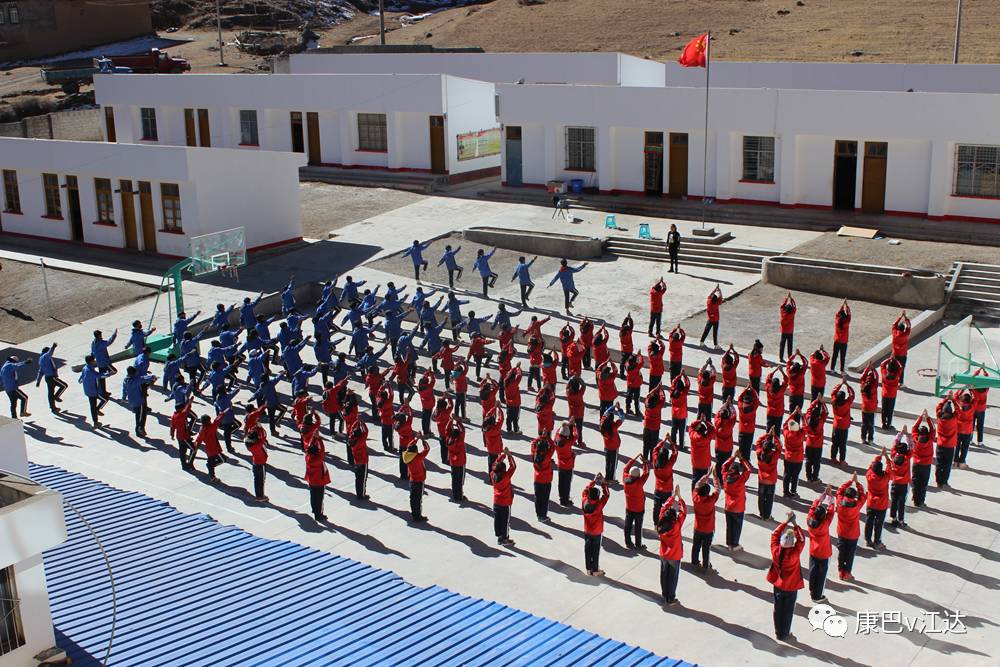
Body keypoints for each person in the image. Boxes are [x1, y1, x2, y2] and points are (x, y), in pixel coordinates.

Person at [768, 513, 805, 641]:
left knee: (778, 609)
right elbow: (802, 539)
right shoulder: (794, 553)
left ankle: (778, 632)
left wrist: (785, 522)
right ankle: (785, 633)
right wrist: (795, 524)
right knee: (788, 611)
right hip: (791, 586)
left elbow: (774, 535)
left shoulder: (776, 551)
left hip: (778, 584)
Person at [656, 485, 686, 604]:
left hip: (664, 553)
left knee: (664, 574)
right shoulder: (677, 525)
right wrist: (679, 498)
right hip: (675, 554)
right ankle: (671, 597)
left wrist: (672, 497)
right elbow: (683, 511)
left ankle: (664, 594)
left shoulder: (661, 523)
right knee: (673, 577)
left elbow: (663, 507)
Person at [835, 474, 867, 581]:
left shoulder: (839, 502)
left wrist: (850, 481)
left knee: (841, 552)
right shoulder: (857, 505)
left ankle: (841, 571)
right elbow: (863, 495)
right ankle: (847, 572)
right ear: (854, 497)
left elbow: (839, 491)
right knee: (850, 555)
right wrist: (857, 483)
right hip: (853, 534)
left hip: (841, 532)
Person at [806, 487, 835, 602]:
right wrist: (830, 497)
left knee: (813, 570)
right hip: (823, 552)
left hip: (813, 550)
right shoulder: (825, 525)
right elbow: (831, 510)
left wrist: (823, 495)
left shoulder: (809, 521)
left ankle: (812, 589)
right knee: (821, 575)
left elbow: (813, 507)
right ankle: (817, 596)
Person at [582, 474, 611, 576]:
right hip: (597, 531)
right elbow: (607, 494)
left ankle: (589, 569)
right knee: (595, 551)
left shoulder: (584, 501)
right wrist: (603, 482)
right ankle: (595, 569)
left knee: (587, 549)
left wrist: (593, 481)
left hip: (587, 530)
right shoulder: (599, 504)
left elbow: (585, 491)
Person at [721, 451, 750, 551]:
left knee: (729, 526)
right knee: (737, 527)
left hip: (728, 506)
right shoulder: (741, 480)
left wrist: (733, 457)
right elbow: (748, 469)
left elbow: (724, 466)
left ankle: (729, 543)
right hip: (738, 507)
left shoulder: (725, 478)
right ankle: (735, 544)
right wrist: (741, 458)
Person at [691, 470, 719, 571]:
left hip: (697, 527)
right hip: (708, 528)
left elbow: (697, 485)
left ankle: (694, 561)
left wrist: (706, 476)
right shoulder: (711, 500)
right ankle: (705, 565)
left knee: (696, 546)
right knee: (706, 548)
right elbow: (718, 489)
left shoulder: (695, 498)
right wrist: (715, 477)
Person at [622, 454, 650, 549]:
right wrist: (645, 463)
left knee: (627, 526)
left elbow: (625, 469)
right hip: (639, 509)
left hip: (629, 508)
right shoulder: (639, 483)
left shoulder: (625, 480)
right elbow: (646, 473)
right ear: (638, 476)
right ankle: (638, 544)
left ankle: (628, 542)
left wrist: (633, 459)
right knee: (638, 528)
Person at [864, 451, 890, 550]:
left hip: (871, 502)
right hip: (881, 504)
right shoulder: (885, 478)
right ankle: (877, 541)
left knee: (869, 521)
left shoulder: (869, 475)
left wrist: (879, 456)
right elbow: (889, 469)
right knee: (879, 524)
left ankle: (868, 539)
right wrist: (886, 457)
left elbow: (871, 466)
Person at [651, 437, 679, 527]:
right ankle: (665, 523)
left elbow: (655, 449)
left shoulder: (655, 462)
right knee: (667, 507)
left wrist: (663, 441)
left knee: (656, 508)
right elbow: (675, 452)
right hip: (667, 489)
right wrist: (670, 441)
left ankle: (656, 523)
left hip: (658, 488)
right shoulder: (669, 464)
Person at [492, 448, 517, 546]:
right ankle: (505, 538)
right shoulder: (506, 477)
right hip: (505, 502)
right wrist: (509, 455)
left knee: (497, 519)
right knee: (505, 521)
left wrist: (502, 456)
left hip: (496, 501)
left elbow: (495, 464)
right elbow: (513, 466)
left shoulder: (492, 475)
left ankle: (499, 536)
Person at [304, 430, 330, 522]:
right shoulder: (318, 459)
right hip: (319, 480)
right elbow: (322, 450)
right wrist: (318, 438)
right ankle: (319, 515)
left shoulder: (307, 457)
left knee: (313, 496)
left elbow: (309, 447)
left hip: (312, 480)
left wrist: (314, 438)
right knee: (319, 498)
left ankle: (315, 511)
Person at [79, 356, 112, 427]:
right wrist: (108, 374)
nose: (95, 361)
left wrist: (80, 380)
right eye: (94, 360)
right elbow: (99, 375)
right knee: (105, 399)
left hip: (88, 390)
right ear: (91, 361)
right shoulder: (90, 371)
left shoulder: (85, 368)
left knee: (92, 405)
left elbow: (82, 376)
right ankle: (97, 410)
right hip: (93, 391)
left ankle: (95, 422)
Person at [756, 428, 781, 520]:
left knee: (761, 497)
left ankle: (762, 513)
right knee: (769, 499)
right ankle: (767, 516)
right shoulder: (774, 456)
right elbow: (779, 448)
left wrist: (767, 435)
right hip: (771, 480)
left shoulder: (759, 453)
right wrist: (774, 436)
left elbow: (758, 442)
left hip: (762, 479)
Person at [911, 411, 935, 506]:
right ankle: (921, 501)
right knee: (923, 483)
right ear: (927, 433)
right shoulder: (930, 439)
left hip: (916, 464)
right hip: (926, 465)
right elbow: (933, 429)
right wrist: (928, 418)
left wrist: (921, 417)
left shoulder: (915, 439)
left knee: (915, 481)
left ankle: (915, 498)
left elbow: (914, 428)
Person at [403, 438, 431, 522]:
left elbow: (408, 446)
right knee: (418, 500)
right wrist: (422, 440)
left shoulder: (406, 456)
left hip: (412, 480)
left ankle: (414, 514)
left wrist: (416, 439)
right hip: (419, 481)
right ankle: (418, 516)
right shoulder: (418, 457)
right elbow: (427, 448)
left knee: (413, 499)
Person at [889, 431, 912, 527]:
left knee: (894, 501)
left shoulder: (893, 456)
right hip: (904, 484)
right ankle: (901, 519)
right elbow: (911, 446)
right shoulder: (907, 458)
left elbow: (895, 443)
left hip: (894, 483)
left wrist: (900, 434)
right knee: (901, 502)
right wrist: (907, 435)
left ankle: (893, 518)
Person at [531, 431, 556, 522]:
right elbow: (553, 446)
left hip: (537, 479)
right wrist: (547, 437)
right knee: (545, 499)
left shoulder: (534, 454)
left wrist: (540, 437)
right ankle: (543, 515)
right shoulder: (547, 456)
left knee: (538, 498)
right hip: (546, 480)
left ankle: (538, 515)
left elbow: (533, 443)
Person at [35, 343, 67, 413]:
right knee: (64, 385)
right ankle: (56, 396)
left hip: (48, 378)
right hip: (52, 377)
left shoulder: (41, 359)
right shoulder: (45, 356)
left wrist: (38, 381)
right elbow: (49, 353)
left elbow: (40, 372)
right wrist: (53, 347)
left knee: (50, 393)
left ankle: (53, 408)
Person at [935, 394, 958, 488]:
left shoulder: (940, 418)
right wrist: (953, 400)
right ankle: (944, 481)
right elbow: (958, 410)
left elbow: (938, 407)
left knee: (939, 464)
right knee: (947, 465)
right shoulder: (954, 419)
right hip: (949, 446)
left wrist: (946, 399)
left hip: (940, 445)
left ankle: (938, 481)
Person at [830, 380, 855, 465]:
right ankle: (842, 460)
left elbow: (833, 393)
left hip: (836, 426)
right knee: (842, 445)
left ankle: (833, 457)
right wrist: (847, 384)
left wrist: (840, 384)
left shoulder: (834, 402)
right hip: (844, 427)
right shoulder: (847, 404)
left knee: (835, 443)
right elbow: (852, 394)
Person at [804, 397, 828, 483]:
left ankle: (808, 477)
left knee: (808, 461)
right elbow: (826, 412)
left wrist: (815, 401)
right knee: (816, 462)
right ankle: (815, 477)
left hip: (809, 444)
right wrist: (822, 402)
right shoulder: (821, 422)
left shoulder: (808, 419)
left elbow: (808, 410)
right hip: (818, 445)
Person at [782, 409, 805, 498]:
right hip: (798, 459)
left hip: (788, 457)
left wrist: (793, 413)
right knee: (795, 476)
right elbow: (806, 426)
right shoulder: (800, 435)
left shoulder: (787, 433)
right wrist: (801, 415)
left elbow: (785, 424)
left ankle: (785, 491)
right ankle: (793, 491)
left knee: (786, 475)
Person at [600, 403, 625, 479]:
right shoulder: (614, 426)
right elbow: (622, 417)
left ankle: (607, 476)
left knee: (608, 462)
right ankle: (612, 478)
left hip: (607, 446)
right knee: (613, 464)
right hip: (614, 447)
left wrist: (612, 407)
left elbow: (605, 413)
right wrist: (618, 409)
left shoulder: (602, 425)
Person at [170, 398, 196, 471]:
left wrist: (172, 435)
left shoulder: (174, 416)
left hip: (179, 437)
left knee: (182, 452)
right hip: (184, 437)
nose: (183, 409)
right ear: (179, 409)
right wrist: (190, 402)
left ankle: (184, 465)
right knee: (194, 449)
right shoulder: (181, 415)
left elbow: (172, 427)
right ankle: (190, 463)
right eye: (182, 408)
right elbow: (187, 410)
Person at [445, 418, 467, 503]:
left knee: (454, 479)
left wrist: (450, 420)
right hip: (460, 462)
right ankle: (459, 496)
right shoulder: (459, 441)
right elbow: (463, 430)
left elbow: (447, 429)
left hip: (453, 462)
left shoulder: (448, 440)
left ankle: (455, 494)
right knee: (460, 480)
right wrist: (457, 421)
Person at [246, 425, 270, 502]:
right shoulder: (258, 444)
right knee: (261, 480)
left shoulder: (250, 444)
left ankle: (259, 495)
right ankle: (260, 496)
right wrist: (260, 428)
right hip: (261, 464)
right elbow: (264, 435)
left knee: (257, 480)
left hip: (256, 463)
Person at [349, 419, 370, 501]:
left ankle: (358, 493)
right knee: (363, 478)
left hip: (357, 461)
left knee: (358, 478)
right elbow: (366, 431)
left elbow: (351, 431)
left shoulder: (352, 440)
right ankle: (362, 494)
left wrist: (355, 423)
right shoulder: (361, 440)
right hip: (363, 461)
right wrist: (361, 422)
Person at [955, 387, 976, 469]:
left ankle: (955, 461)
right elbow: (976, 398)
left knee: (956, 446)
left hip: (958, 429)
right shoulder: (972, 407)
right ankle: (962, 462)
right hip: (967, 431)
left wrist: (963, 388)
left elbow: (955, 396)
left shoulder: (958, 406)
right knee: (965, 447)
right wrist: (972, 390)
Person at [879, 356, 902, 430]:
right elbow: (901, 367)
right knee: (890, 410)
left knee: (884, 409)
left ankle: (883, 423)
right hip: (892, 396)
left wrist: (889, 358)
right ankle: (889, 424)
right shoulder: (896, 376)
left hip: (885, 395)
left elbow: (882, 364)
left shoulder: (884, 374)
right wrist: (896, 361)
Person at [858, 363, 879, 445]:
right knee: (871, 425)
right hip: (872, 409)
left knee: (864, 424)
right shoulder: (874, 387)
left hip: (864, 408)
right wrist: (873, 369)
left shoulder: (863, 387)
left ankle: (863, 438)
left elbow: (862, 377)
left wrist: (867, 368)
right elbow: (877, 377)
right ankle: (870, 439)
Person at [669, 373, 690, 451]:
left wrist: (678, 376)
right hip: (682, 416)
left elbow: (673, 383)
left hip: (674, 415)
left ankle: (673, 444)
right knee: (682, 432)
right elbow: (688, 384)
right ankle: (681, 446)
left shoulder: (672, 393)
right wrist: (684, 375)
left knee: (674, 430)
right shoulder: (683, 394)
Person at [891, 312, 911, 384]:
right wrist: (905, 317)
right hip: (903, 355)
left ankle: (893, 380)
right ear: (903, 330)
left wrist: (900, 317)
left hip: (894, 354)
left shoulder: (894, 333)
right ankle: (901, 382)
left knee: (893, 367)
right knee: (901, 368)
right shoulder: (905, 335)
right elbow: (909, 326)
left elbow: (894, 324)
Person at [831, 300, 851, 373]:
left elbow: (838, 313)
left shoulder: (837, 322)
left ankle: (832, 369)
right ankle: (842, 370)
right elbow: (849, 315)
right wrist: (846, 306)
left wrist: (842, 305)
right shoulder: (847, 323)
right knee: (842, 357)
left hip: (837, 341)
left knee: (834, 355)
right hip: (844, 342)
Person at [972, 367, 990, 446]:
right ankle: (980, 442)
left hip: (973, 409)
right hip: (981, 410)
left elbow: (972, 378)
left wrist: (978, 370)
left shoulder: (974, 390)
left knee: (971, 425)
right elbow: (988, 380)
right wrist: (984, 371)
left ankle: (969, 440)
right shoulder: (985, 390)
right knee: (980, 426)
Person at [778, 293, 797, 362]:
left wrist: (786, 298)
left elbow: (782, 306)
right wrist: (791, 299)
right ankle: (790, 359)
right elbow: (794, 306)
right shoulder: (792, 313)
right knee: (790, 346)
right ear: (791, 310)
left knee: (782, 345)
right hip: (790, 332)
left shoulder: (782, 312)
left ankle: (781, 358)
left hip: (783, 331)